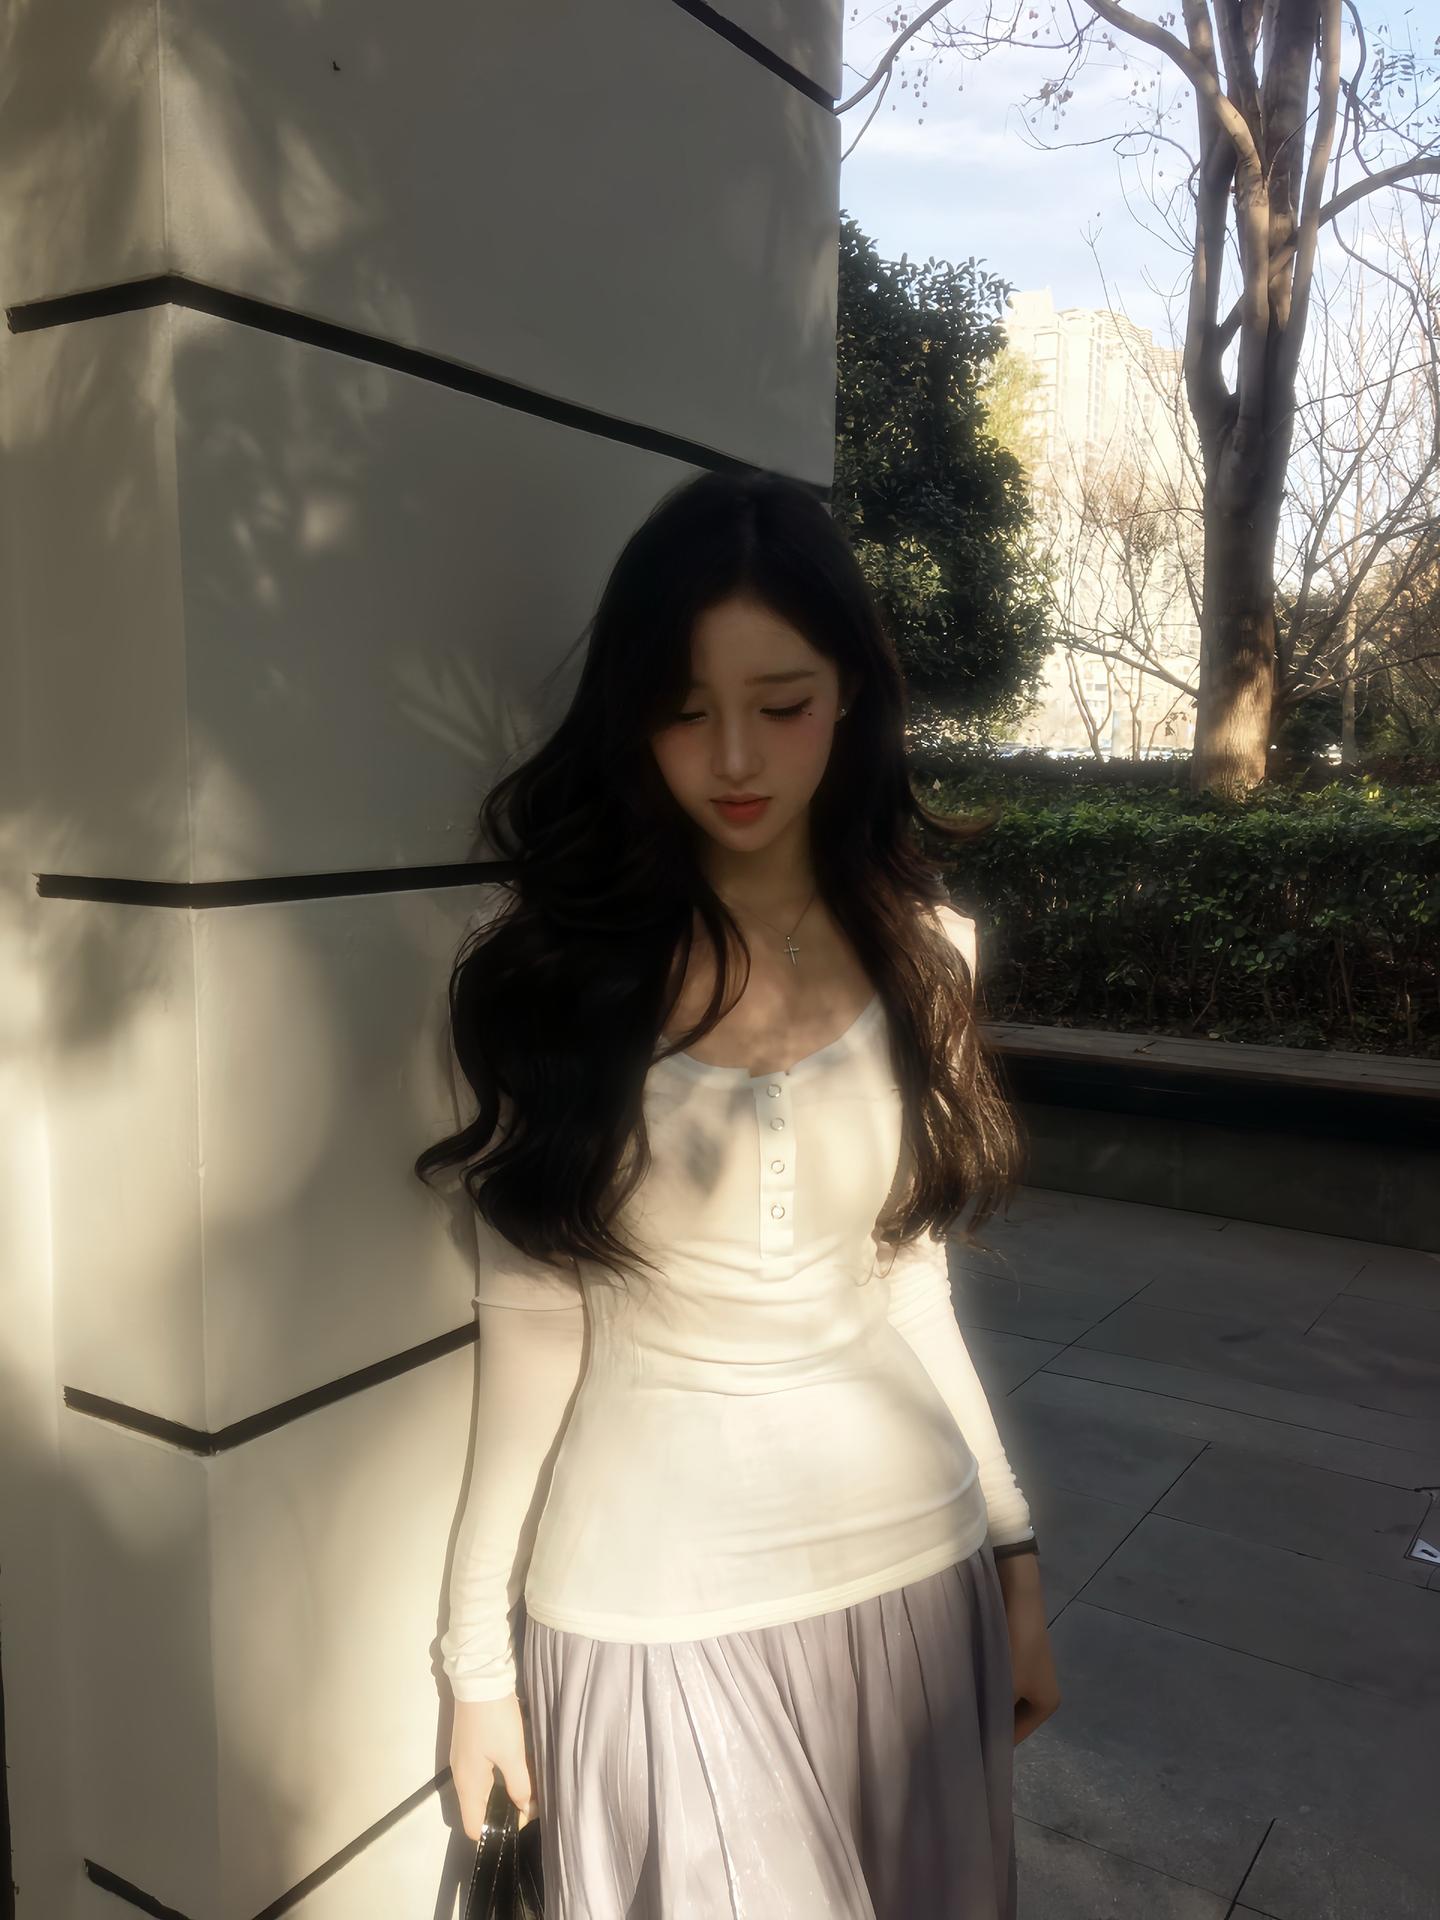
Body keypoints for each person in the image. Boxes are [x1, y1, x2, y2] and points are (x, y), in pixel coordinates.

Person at [414, 468, 1061, 1918]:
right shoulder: (544, 975)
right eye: (683, 708)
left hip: (919, 1579)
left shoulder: (930, 955)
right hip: (649, 1605)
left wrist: (1015, 1560)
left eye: (782, 703)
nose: (734, 756)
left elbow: (909, 1282)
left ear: (851, 695)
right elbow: (532, 1334)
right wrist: (475, 1664)